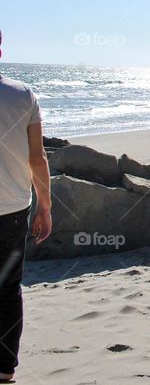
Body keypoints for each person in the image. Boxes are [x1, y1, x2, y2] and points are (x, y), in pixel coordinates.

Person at [0, 30, 52, 383]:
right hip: (13, 209)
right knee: (7, 289)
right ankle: (4, 369)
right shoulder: (23, 95)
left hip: (13, 208)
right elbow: (37, 157)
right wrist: (45, 206)